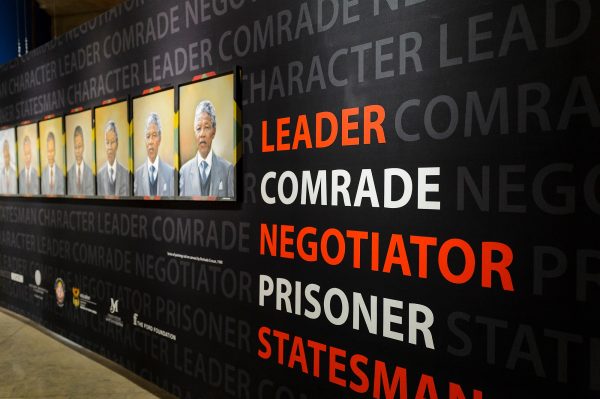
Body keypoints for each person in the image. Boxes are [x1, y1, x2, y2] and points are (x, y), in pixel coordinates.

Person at [179, 100, 234, 197]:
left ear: (214, 131)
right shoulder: (184, 172)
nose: (202, 134)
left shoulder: (227, 170)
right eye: (198, 128)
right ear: (194, 132)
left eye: (207, 127)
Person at [134, 112, 175, 196]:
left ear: (160, 139)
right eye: (148, 136)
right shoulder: (138, 174)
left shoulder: (170, 173)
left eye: (154, 135)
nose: (150, 142)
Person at [97, 121, 131, 196]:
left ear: (117, 144)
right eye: (107, 142)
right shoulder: (99, 175)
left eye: (112, 142)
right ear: (104, 144)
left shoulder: (126, 174)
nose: (110, 147)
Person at [67, 125, 94, 195]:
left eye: (80, 147)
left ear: (84, 146)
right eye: (76, 147)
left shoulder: (90, 173)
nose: (78, 151)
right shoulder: (69, 174)